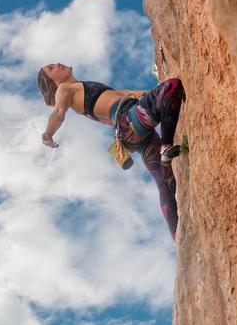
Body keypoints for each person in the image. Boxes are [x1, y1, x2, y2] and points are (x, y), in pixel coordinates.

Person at [36, 63, 186, 240]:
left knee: (165, 183)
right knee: (172, 86)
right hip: (127, 120)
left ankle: (176, 236)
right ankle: (166, 146)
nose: (57, 64)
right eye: (52, 68)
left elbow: (133, 94)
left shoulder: (84, 87)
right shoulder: (64, 88)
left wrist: (153, 98)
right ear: (54, 83)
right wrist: (48, 133)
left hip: (131, 129)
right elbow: (58, 113)